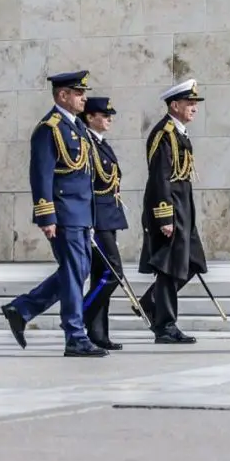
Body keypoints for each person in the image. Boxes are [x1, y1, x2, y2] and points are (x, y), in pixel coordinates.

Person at [0, 70, 107, 357]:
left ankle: (22, 308)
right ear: (62, 95)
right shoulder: (50, 128)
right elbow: (41, 175)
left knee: (78, 271)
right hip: (63, 214)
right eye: (78, 93)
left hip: (82, 214)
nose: (84, 98)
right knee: (74, 273)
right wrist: (46, 216)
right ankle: (74, 335)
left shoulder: (77, 127)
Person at [139, 79, 207, 344]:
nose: (194, 108)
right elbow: (160, 177)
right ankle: (165, 326)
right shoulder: (164, 133)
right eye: (189, 104)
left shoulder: (178, 132)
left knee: (193, 262)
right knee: (169, 269)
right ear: (174, 105)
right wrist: (165, 217)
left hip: (183, 207)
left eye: (195, 104)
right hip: (169, 209)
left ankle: (151, 302)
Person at [80, 95, 130, 350]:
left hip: (107, 216)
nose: (109, 119)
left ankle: (98, 333)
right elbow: (86, 185)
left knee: (102, 274)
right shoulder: (86, 144)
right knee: (113, 273)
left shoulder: (100, 144)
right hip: (96, 218)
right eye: (104, 115)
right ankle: (80, 315)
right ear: (90, 117)